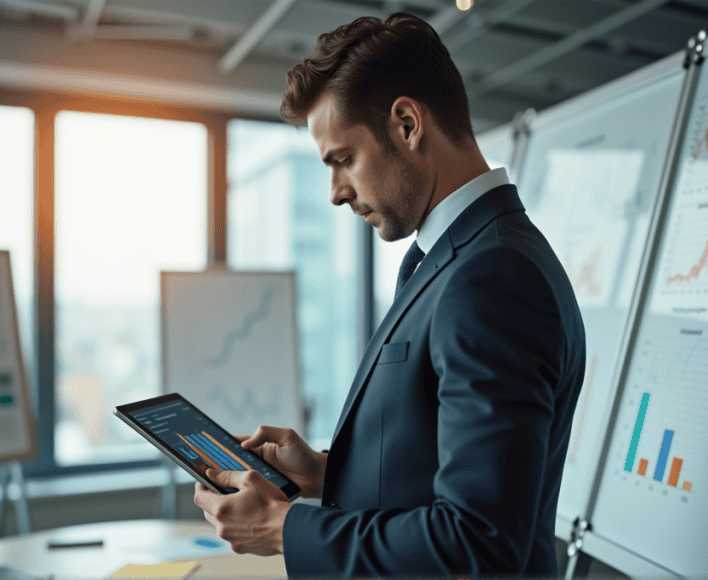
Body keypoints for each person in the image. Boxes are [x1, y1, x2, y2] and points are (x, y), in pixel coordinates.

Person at [193, 12, 586, 577]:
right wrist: (331, 473)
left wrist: (282, 527)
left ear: (407, 124)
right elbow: (445, 471)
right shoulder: (458, 259)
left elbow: (477, 542)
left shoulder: (492, 276)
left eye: (343, 160)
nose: (335, 193)